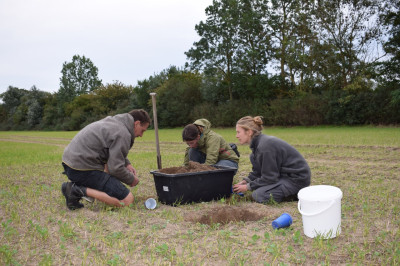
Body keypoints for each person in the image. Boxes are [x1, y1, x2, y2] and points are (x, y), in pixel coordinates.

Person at [61, 109, 151, 210]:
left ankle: (84, 189)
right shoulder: (123, 133)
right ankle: (75, 190)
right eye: (142, 130)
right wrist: (131, 179)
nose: (141, 135)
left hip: (71, 164)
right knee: (127, 201)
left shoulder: (116, 123)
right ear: (137, 123)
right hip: (82, 169)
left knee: (108, 170)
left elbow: (112, 150)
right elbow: (115, 168)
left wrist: (127, 164)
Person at [233, 116, 311, 203]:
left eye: (238, 132)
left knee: (259, 195)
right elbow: (258, 172)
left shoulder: (265, 147)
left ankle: (297, 194)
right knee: (258, 189)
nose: (236, 136)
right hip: (282, 177)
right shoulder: (256, 150)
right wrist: (246, 181)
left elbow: (270, 178)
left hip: (296, 180)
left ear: (249, 132)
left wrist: (248, 187)